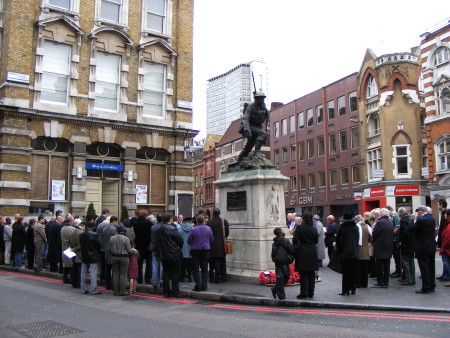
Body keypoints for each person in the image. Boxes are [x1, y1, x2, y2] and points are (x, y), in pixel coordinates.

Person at [155, 212, 183, 298]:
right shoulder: (172, 228)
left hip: (163, 253)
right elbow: (180, 241)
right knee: (175, 272)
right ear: (169, 219)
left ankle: (166, 292)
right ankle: (175, 292)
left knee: (166, 272)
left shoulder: (158, 229)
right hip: (174, 253)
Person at [409, 206, 436, 294]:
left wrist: (412, 220)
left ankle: (426, 287)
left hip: (422, 247)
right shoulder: (432, 219)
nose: (417, 214)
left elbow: (411, 229)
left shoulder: (421, 220)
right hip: (431, 246)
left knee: (424, 267)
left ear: (421, 211)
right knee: (431, 267)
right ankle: (432, 285)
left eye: (418, 212)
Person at [237, 91, 269, 162]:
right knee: (263, 133)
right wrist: (247, 130)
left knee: (250, 145)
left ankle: (241, 158)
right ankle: (257, 152)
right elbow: (245, 119)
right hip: (249, 126)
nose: (262, 100)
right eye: (260, 98)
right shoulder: (251, 106)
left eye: (263, 98)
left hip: (256, 127)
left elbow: (267, 115)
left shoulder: (263, 107)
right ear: (256, 99)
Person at [293, 212, 318, 299]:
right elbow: (316, 240)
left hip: (302, 251)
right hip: (312, 250)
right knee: (311, 272)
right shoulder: (314, 228)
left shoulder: (300, 227)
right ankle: (311, 292)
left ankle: (303, 292)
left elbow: (295, 240)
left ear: (303, 219)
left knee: (303, 273)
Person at [188, 215, 214, 292]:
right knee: (205, 269)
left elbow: (189, 240)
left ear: (197, 221)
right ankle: (204, 286)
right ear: (204, 221)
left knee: (195, 268)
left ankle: (198, 286)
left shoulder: (193, 229)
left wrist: (194, 244)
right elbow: (212, 239)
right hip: (206, 249)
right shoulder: (208, 229)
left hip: (195, 249)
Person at [109, 223, 137, 296]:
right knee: (123, 274)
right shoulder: (126, 239)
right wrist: (133, 250)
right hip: (124, 258)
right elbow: (128, 250)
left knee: (115, 274)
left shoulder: (112, 238)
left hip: (114, 257)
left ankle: (116, 291)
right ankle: (122, 291)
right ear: (123, 231)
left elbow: (109, 249)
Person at [336, 211, 360, 295]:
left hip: (345, 253)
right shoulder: (355, 227)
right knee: (353, 271)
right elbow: (357, 239)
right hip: (354, 252)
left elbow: (339, 241)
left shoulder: (342, 228)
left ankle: (345, 290)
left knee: (345, 272)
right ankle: (353, 288)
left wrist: (340, 249)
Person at [372, 208, 394, 288]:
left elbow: (375, 233)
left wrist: (373, 241)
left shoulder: (380, 222)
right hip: (388, 245)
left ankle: (380, 281)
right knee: (387, 264)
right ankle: (386, 281)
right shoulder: (389, 222)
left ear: (381, 214)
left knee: (380, 265)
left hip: (380, 245)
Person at [270, 227, 294, 300]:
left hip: (278, 261)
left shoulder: (275, 242)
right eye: (282, 230)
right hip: (284, 261)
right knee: (285, 276)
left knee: (281, 277)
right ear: (280, 232)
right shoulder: (285, 241)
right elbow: (291, 250)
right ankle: (281, 296)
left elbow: (273, 252)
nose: (283, 231)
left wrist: (275, 258)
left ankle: (275, 289)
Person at [207, 207, 229, 283]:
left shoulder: (210, 222)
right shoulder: (224, 222)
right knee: (223, 260)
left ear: (213, 214)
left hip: (212, 245)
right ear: (219, 213)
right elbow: (227, 233)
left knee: (215, 261)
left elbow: (208, 235)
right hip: (222, 244)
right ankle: (224, 276)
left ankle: (217, 277)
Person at [79, 221, 101, 295]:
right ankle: (93, 289)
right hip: (93, 256)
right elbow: (98, 245)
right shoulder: (94, 234)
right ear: (93, 227)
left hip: (84, 255)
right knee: (93, 273)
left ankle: (83, 288)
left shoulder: (81, 235)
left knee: (83, 273)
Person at [132, 210, 152, 284]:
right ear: (146, 215)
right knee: (148, 262)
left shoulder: (135, 223)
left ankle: (139, 278)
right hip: (147, 244)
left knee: (139, 263)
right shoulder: (149, 223)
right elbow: (150, 234)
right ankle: (147, 278)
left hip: (138, 244)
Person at [398, 208, 416, 286]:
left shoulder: (403, 221)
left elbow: (405, 232)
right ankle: (412, 278)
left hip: (406, 244)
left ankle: (409, 279)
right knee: (411, 261)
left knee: (405, 262)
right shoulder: (410, 220)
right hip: (412, 243)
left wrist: (401, 241)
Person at [355, 215, 372, 288]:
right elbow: (371, 238)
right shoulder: (367, 226)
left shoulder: (357, 226)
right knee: (365, 267)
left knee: (358, 267)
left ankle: (358, 283)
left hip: (359, 248)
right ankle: (365, 283)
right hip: (366, 249)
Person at [102, 216, 118, 290]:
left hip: (106, 250)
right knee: (114, 269)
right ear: (114, 221)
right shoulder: (114, 230)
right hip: (113, 251)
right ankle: (113, 285)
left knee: (107, 269)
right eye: (116, 222)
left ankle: (107, 285)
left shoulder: (104, 229)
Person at [149, 213, 164, 291]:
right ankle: (161, 281)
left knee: (154, 266)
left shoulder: (153, 227)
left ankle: (154, 282)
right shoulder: (164, 227)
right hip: (162, 248)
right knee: (162, 266)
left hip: (154, 247)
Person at [386, 206, 401, 279]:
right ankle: (397, 270)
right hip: (394, 239)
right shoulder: (393, 217)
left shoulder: (395, 216)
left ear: (391, 210)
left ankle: (398, 271)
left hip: (395, 239)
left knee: (397, 256)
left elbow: (398, 226)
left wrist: (392, 233)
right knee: (395, 256)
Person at [69, 219, 84, 288]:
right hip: (79, 253)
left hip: (72, 252)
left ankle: (73, 282)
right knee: (79, 269)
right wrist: (74, 249)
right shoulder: (81, 233)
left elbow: (69, 242)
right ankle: (78, 283)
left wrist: (72, 249)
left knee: (74, 267)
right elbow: (81, 245)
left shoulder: (72, 232)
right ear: (82, 226)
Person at [436, 199, 449, 281]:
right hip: (442, 238)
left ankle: (447, 275)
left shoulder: (445, 214)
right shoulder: (443, 214)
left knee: (445, 259)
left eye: (438, 205)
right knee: (445, 259)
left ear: (441, 205)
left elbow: (443, 228)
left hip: (445, 240)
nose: (437, 206)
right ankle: (444, 274)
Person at [61, 215, 75, 283]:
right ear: (72, 221)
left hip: (64, 247)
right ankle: (72, 279)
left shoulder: (63, 228)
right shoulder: (72, 229)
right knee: (71, 265)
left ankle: (65, 278)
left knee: (65, 265)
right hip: (70, 248)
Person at [178, 217, 193, 282]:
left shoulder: (180, 229)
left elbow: (178, 239)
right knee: (190, 264)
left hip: (182, 249)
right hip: (191, 249)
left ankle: (182, 277)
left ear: (184, 222)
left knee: (183, 265)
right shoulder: (193, 229)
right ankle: (190, 277)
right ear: (190, 221)